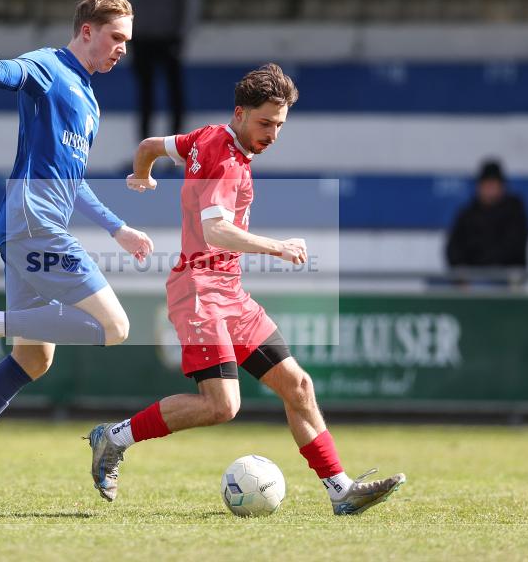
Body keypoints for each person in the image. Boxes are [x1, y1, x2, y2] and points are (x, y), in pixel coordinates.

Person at [87, 64, 406, 516]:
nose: (273, 133)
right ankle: (113, 438)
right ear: (240, 113)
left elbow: (149, 146)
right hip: (199, 290)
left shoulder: (206, 136)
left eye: (279, 124)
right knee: (222, 406)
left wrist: (142, 175)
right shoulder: (223, 158)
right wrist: (279, 248)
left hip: (229, 291)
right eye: (265, 122)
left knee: (298, 385)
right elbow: (216, 231)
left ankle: (341, 490)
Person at [0, 0, 154, 512]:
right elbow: (1, 75)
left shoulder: (89, 99)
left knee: (34, 358)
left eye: (127, 43)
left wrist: (118, 229)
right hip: (34, 221)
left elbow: (76, 181)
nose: (121, 51)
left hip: (33, 224)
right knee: (117, 327)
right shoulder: (48, 66)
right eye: (116, 38)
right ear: (87, 30)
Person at [129, 0, 198, 139]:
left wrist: (181, 33)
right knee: (145, 94)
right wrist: (129, 31)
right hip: (141, 37)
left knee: (174, 92)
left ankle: (177, 144)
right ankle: (143, 145)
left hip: (169, 37)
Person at [446, 158, 528, 270]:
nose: (490, 188)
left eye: (493, 184)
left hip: (505, 276)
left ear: (502, 187)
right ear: (479, 187)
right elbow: (453, 248)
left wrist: (482, 265)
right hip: (471, 279)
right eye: (486, 184)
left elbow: (513, 247)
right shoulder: (467, 213)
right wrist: (462, 272)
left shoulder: (514, 210)